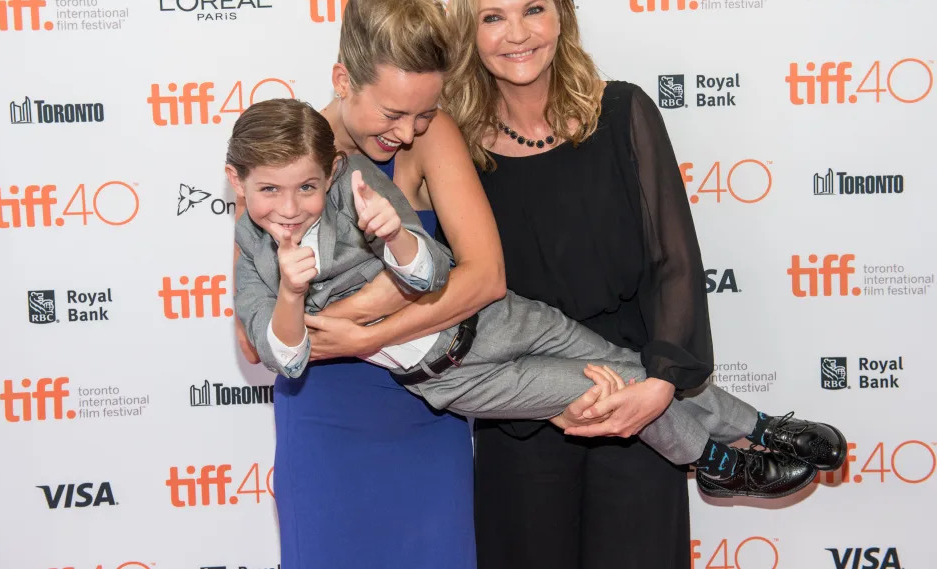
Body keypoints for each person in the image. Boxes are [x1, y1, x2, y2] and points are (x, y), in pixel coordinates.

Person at [228, 98, 845, 503]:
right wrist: (292, 291)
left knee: (640, 368)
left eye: (306, 186)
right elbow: (282, 353)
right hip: (454, 378)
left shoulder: (358, 183)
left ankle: (761, 428)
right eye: (270, 190)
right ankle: (716, 459)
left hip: (497, 316)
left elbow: (432, 269)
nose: (289, 206)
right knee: (606, 388)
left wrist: (392, 235)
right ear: (237, 184)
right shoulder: (253, 255)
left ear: (329, 172)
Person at [441, 0, 812, 569]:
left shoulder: (622, 111)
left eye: (533, 9)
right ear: (469, 34)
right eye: (492, 17)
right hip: (522, 414)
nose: (517, 34)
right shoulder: (452, 144)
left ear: (563, 13)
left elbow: (674, 262)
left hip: (639, 403)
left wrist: (663, 384)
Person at [230, 0, 506, 569]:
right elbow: (255, 340)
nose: (407, 132)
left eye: (425, 112)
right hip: (324, 419)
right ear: (343, 81)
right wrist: (378, 305)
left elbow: (485, 279)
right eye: (392, 112)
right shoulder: (284, 160)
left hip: (428, 408)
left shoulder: (433, 139)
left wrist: (363, 331)